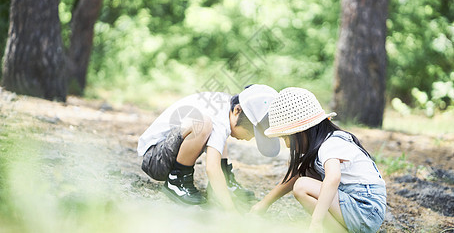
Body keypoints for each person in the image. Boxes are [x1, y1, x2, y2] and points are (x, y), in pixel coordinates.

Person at [251, 87, 386, 233]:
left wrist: (316, 223)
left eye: (285, 137)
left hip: (365, 207)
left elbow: (333, 178)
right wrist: (263, 204)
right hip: (362, 207)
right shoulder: (324, 145)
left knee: (302, 186)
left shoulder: (331, 144)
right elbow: (295, 175)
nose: (287, 145)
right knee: (303, 174)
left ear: (301, 132)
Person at [137, 84, 280, 210]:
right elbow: (211, 168)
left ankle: (224, 180)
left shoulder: (226, 107)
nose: (249, 138)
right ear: (237, 110)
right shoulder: (218, 116)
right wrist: (230, 210)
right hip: (155, 159)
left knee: (219, 132)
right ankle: (177, 180)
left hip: (164, 152)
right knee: (204, 123)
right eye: (250, 133)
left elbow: (217, 144)